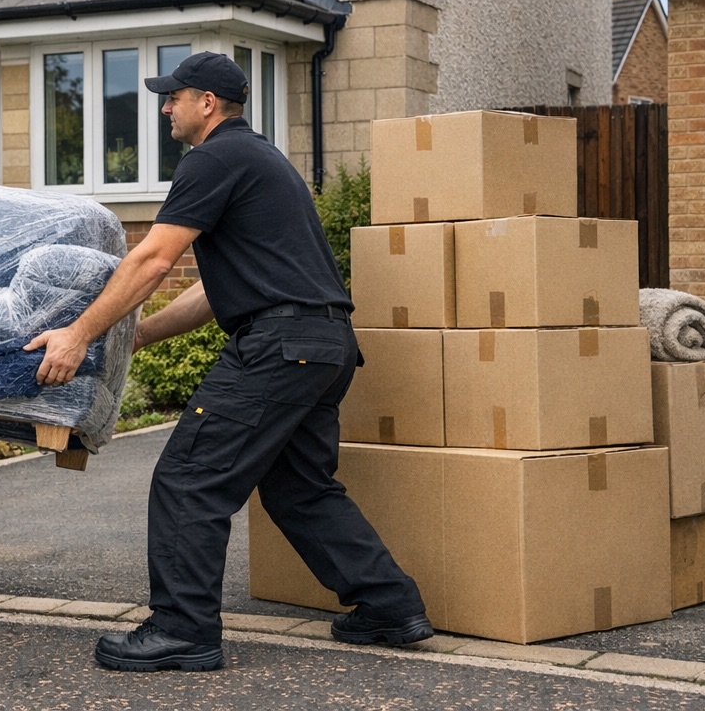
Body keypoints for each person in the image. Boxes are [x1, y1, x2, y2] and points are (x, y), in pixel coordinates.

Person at [25, 51, 429, 673]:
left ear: (206, 103)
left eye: (173, 97)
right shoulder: (259, 159)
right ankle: (390, 607)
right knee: (300, 490)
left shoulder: (213, 158)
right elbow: (215, 289)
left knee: (189, 479)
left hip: (279, 346)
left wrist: (78, 334)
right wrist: (138, 336)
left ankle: (183, 630)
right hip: (322, 345)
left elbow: (154, 259)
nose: (164, 107)